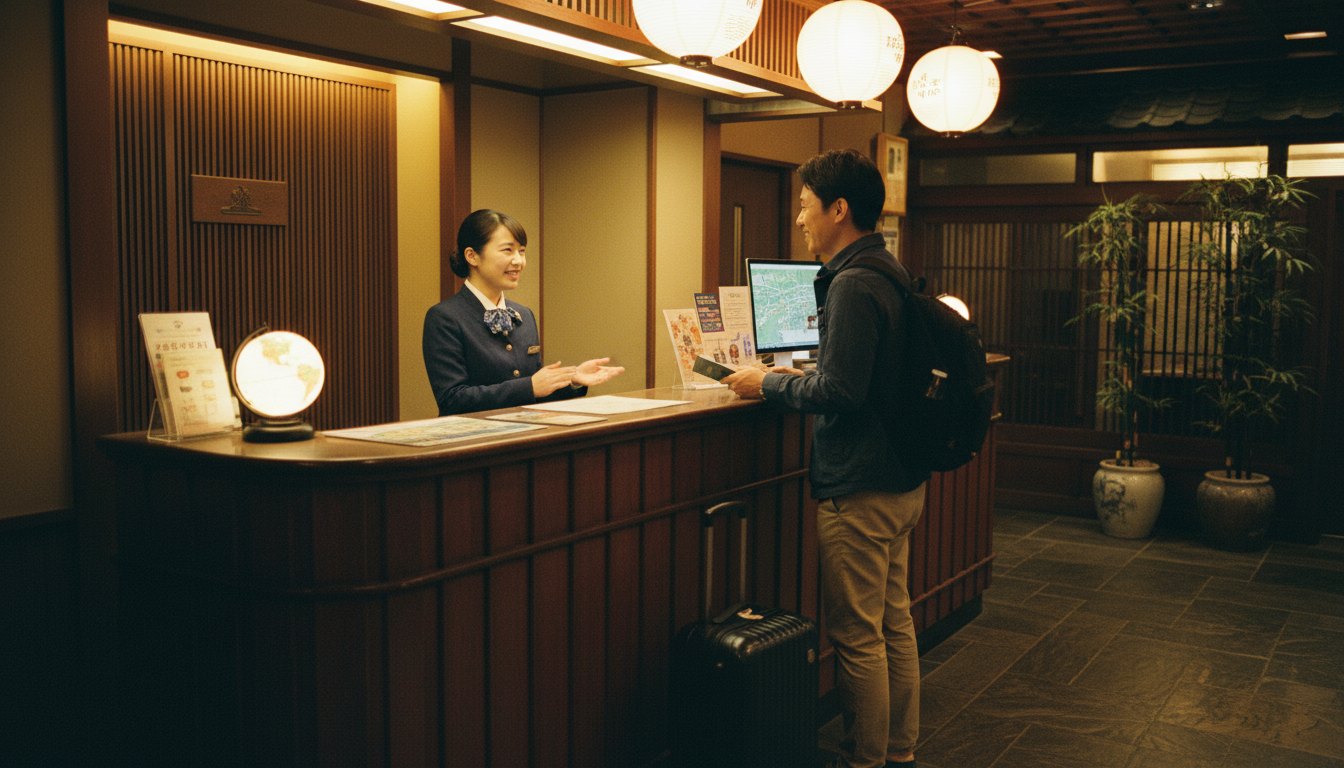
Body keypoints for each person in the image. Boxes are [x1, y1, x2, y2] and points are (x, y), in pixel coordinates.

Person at [725, 149, 926, 768]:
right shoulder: (889, 270)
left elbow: (839, 391)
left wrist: (768, 383)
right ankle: (899, 750)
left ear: (839, 209)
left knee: (859, 636)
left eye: (806, 205)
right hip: (900, 478)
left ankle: (866, 758)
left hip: (858, 487)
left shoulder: (853, 282)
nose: (799, 219)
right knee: (895, 624)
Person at [423, 209, 623, 416]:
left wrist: (572, 378)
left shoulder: (523, 314)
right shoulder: (445, 317)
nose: (518, 261)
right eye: (507, 250)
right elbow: (452, 399)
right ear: (472, 256)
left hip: (524, 436)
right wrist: (530, 386)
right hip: (474, 441)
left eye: (522, 251)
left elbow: (535, 394)